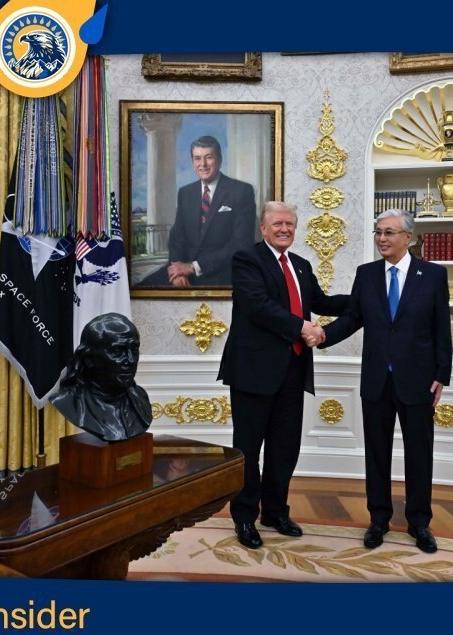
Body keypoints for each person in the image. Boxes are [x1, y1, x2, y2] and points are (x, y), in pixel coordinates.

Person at [217, 201, 348, 549]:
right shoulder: (247, 259)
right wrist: (303, 327)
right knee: (248, 449)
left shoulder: (301, 265)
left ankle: (275, 512)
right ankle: (245, 517)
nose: (284, 229)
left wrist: (366, 298)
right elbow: (258, 306)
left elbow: (321, 301)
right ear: (263, 228)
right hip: (253, 371)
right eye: (277, 223)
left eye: (290, 223)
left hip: (293, 369)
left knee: (284, 447)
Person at [320, 209, 452, 553]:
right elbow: (352, 318)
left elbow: (441, 326)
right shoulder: (366, 275)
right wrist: (322, 336)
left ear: (408, 237)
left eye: (389, 232)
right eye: (378, 232)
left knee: (419, 454)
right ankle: (378, 519)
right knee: (376, 454)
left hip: (419, 381)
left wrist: (442, 375)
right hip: (377, 379)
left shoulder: (433, 275)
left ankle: (419, 522)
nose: (382, 238)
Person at [165, 135, 257, 286]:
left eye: (208, 157)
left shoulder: (241, 191)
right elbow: (177, 238)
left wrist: (193, 267)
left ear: (219, 160)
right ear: (192, 163)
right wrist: (177, 271)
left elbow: (241, 245)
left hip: (222, 273)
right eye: (197, 158)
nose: (203, 164)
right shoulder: (185, 193)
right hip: (184, 271)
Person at [50, 313, 152, 442]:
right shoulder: (67, 402)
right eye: (117, 352)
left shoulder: (140, 397)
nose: (131, 360)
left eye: (134, 350)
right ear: (88, 359)